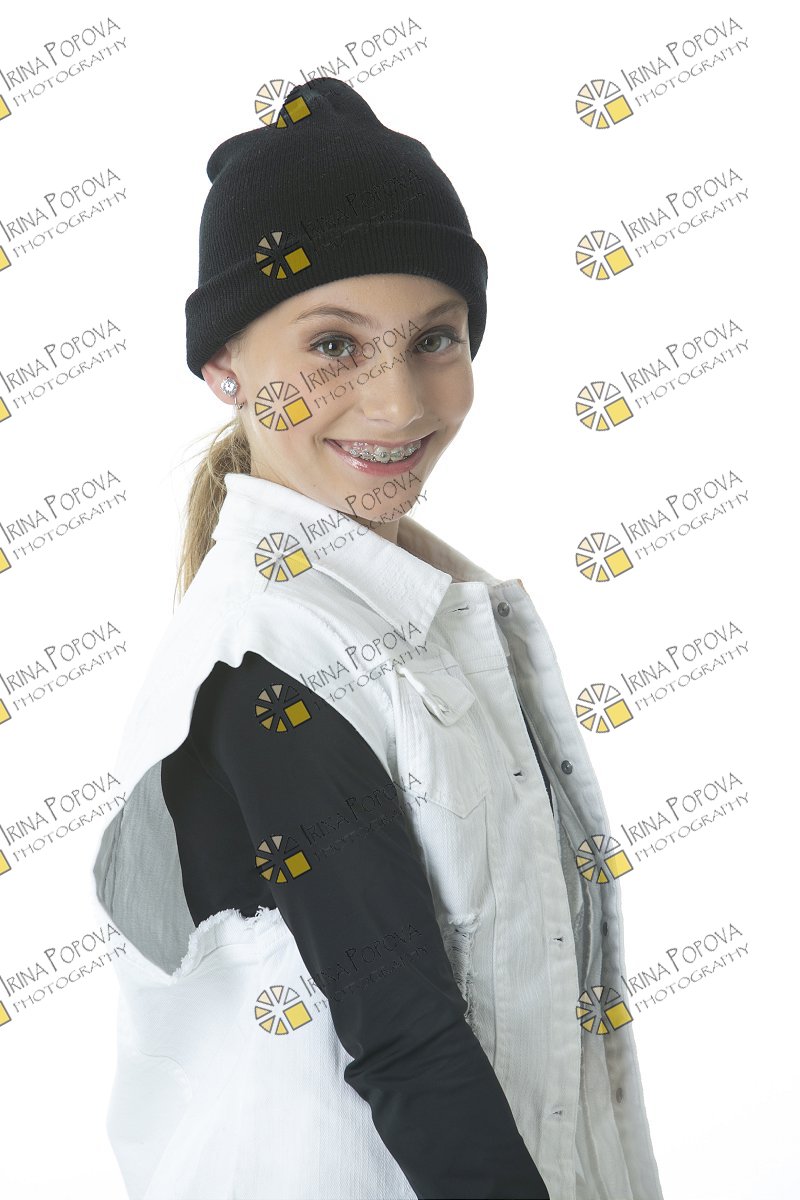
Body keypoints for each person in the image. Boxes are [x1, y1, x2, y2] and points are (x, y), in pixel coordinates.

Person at [92, 78, 664, 1200]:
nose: (398, 403)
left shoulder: (438, 620)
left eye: (434, 339)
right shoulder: (268, 660)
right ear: (223, 368)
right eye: (333, 345)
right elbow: (408, 1043)